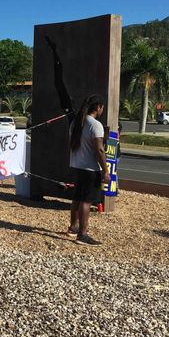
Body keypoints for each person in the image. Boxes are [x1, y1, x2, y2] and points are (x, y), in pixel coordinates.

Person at [67, 95, 110, 246]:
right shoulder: (95, 125)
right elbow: (99, 149)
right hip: (90, 168)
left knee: (77, 197)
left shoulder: (76, 122)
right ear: (98, 107)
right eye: (102, 108)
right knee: (86, 200)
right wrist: (105, 170)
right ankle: (82, 234)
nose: (102, 110)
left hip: (76, 166)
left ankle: (73, 227)